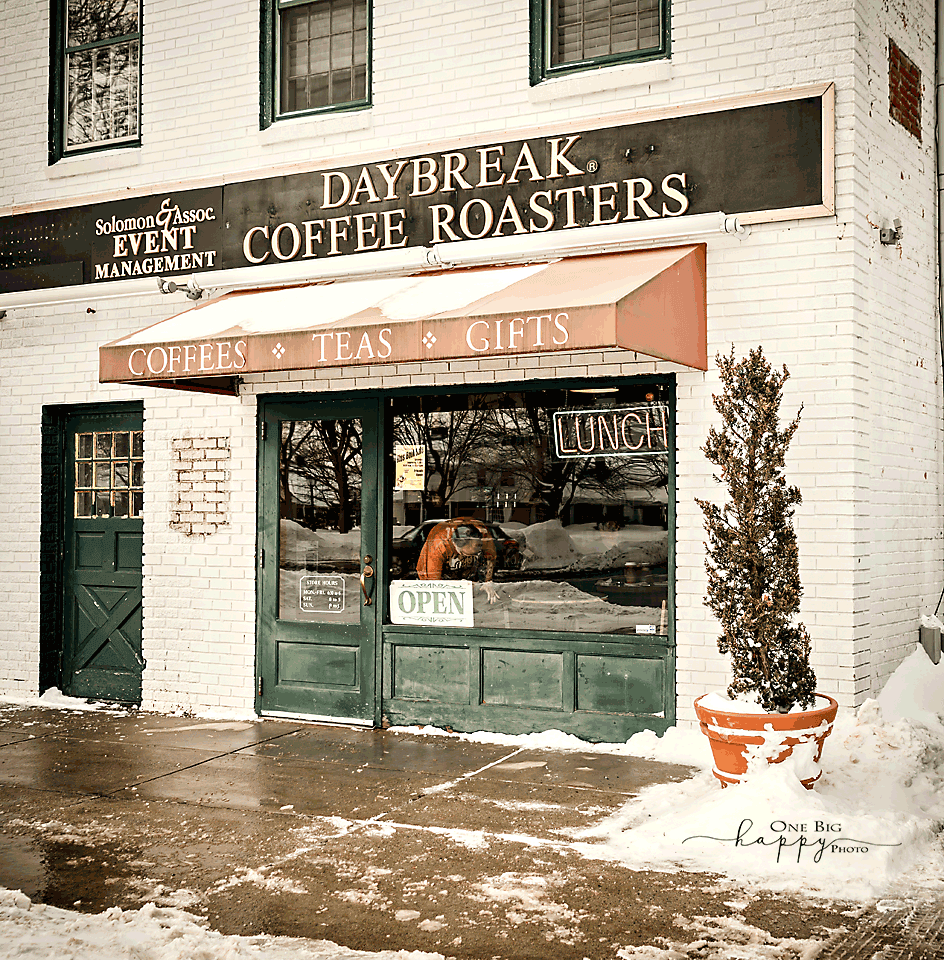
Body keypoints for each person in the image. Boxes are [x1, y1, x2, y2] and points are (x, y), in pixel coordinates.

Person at [416, 518, 499, 603]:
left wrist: (488, 581)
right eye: (465, 555)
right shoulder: (438, 544)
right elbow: (433, 582)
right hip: (441, 571)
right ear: (456, 546)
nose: (467, 559)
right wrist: (459, 585)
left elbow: (490, 558)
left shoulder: (483, 534)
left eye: (477, 553)